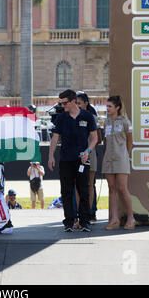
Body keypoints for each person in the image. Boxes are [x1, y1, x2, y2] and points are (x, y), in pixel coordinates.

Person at [48, 89, 98, 233]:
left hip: (82, 160)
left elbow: (94, 137)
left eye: (65, 103)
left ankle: (85, 221)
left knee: (83, 190)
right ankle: (69, 221)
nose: (63, 106)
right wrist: (51, 156)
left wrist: (88, 151)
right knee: (66, 191)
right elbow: (55, 138)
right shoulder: (61, 118)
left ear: (73, 101)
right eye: (61, 103)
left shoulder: (87, 116)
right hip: (65, 159)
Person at [102, 96, 135, 230]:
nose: (107, 109)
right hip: (108, 158)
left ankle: (131, 218)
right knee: (111, 188)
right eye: (107, 106)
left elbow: (130, 141)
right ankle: (114, 219)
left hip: (121, 158)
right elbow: (105, 141)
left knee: (122, 188)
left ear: (117, 107)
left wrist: (126, 155)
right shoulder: (106, 122)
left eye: (110, 106)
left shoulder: (126, 122)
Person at [76, 92, 102, 222]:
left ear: (86, 103)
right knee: (77, 185)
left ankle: (89, 213)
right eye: (76, 103)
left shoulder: (93, 117)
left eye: (79, 103)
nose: (78, 106)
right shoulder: (71, 116)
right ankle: (78, 214)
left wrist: (88, 147)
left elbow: (99, 138)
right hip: (75, 154)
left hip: (90, 153)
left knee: (90, 184)